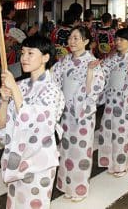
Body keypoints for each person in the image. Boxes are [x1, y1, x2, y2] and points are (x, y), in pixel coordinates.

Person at [0, 36, 65, 209]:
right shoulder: (21, 85)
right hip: (17, 159)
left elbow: (38, 123)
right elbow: (2, 127)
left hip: (39, 162)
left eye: (31, 53)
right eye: (23, 52)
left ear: (46, 57)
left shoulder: (52, 90)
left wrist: (14, 90)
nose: (24, 57)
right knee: (15, 203)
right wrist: (3, 101)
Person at [52, 25, 105, 202]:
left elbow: (94, 90)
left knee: (81, 150)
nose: (71, 41)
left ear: (86, 41)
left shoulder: (92, 62)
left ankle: (79, 187)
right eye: (70, 38)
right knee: (65, 148)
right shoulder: (64, 60)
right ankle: (66, 183)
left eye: (76, 38)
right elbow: (53, 81)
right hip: (65, 113)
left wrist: (90, 72)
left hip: (82, 113)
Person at [98, 28, 128, 177]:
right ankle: (110, 162)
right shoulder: (111, 58)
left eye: (122, 40)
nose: (118, 42)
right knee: (107, 131)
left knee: (122, 133)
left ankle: (121, 165)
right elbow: (103, 74)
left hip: (124, 101)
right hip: (111, 99)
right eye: (117, 39)